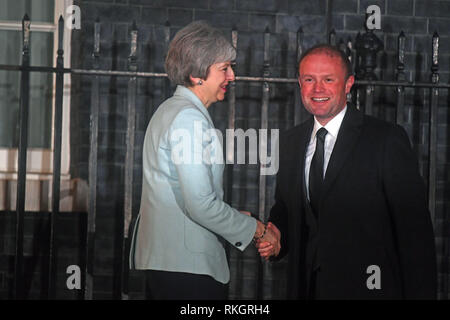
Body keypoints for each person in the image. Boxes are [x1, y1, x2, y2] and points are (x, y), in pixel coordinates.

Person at [257, 44, 437, 299]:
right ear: (300, 83)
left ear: (348, 83)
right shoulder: (289, 142)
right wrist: (277, 235)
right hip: (308, 289)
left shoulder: (385, 139)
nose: (317, 89)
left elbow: (415, 233)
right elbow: (286, 208)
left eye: (328, 79)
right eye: (309, 80)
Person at [129, 21, 278, 300]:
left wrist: (233, 217)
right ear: (197, 75)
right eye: (224, 68)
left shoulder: (169, 110)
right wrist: (256, 229)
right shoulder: (189, 118)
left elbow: (186, 196)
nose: (232, 76)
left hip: (170, 264)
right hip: (188, 271)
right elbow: (199, 205)